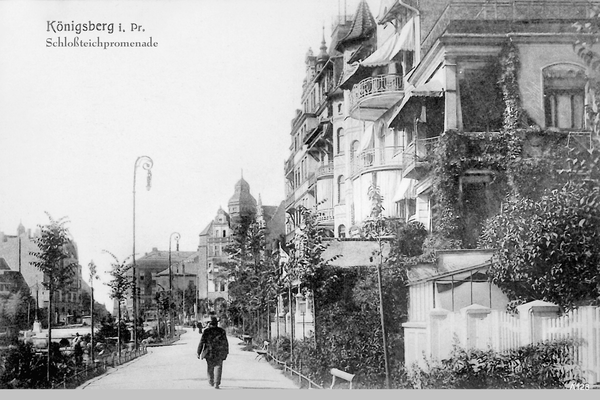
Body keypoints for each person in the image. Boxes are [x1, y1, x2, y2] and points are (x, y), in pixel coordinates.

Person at [197, 316, 229, 389]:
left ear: (210, 323)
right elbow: (225, 343)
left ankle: (211, 381)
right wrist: (226, 352)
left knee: (210, 367)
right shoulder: (222, 331)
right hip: (219, 352)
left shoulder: (206, 331)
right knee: (218, 366)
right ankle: (216, 383)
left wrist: (198, 352)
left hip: (209, 352)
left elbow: (202, 342)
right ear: (216, 323)